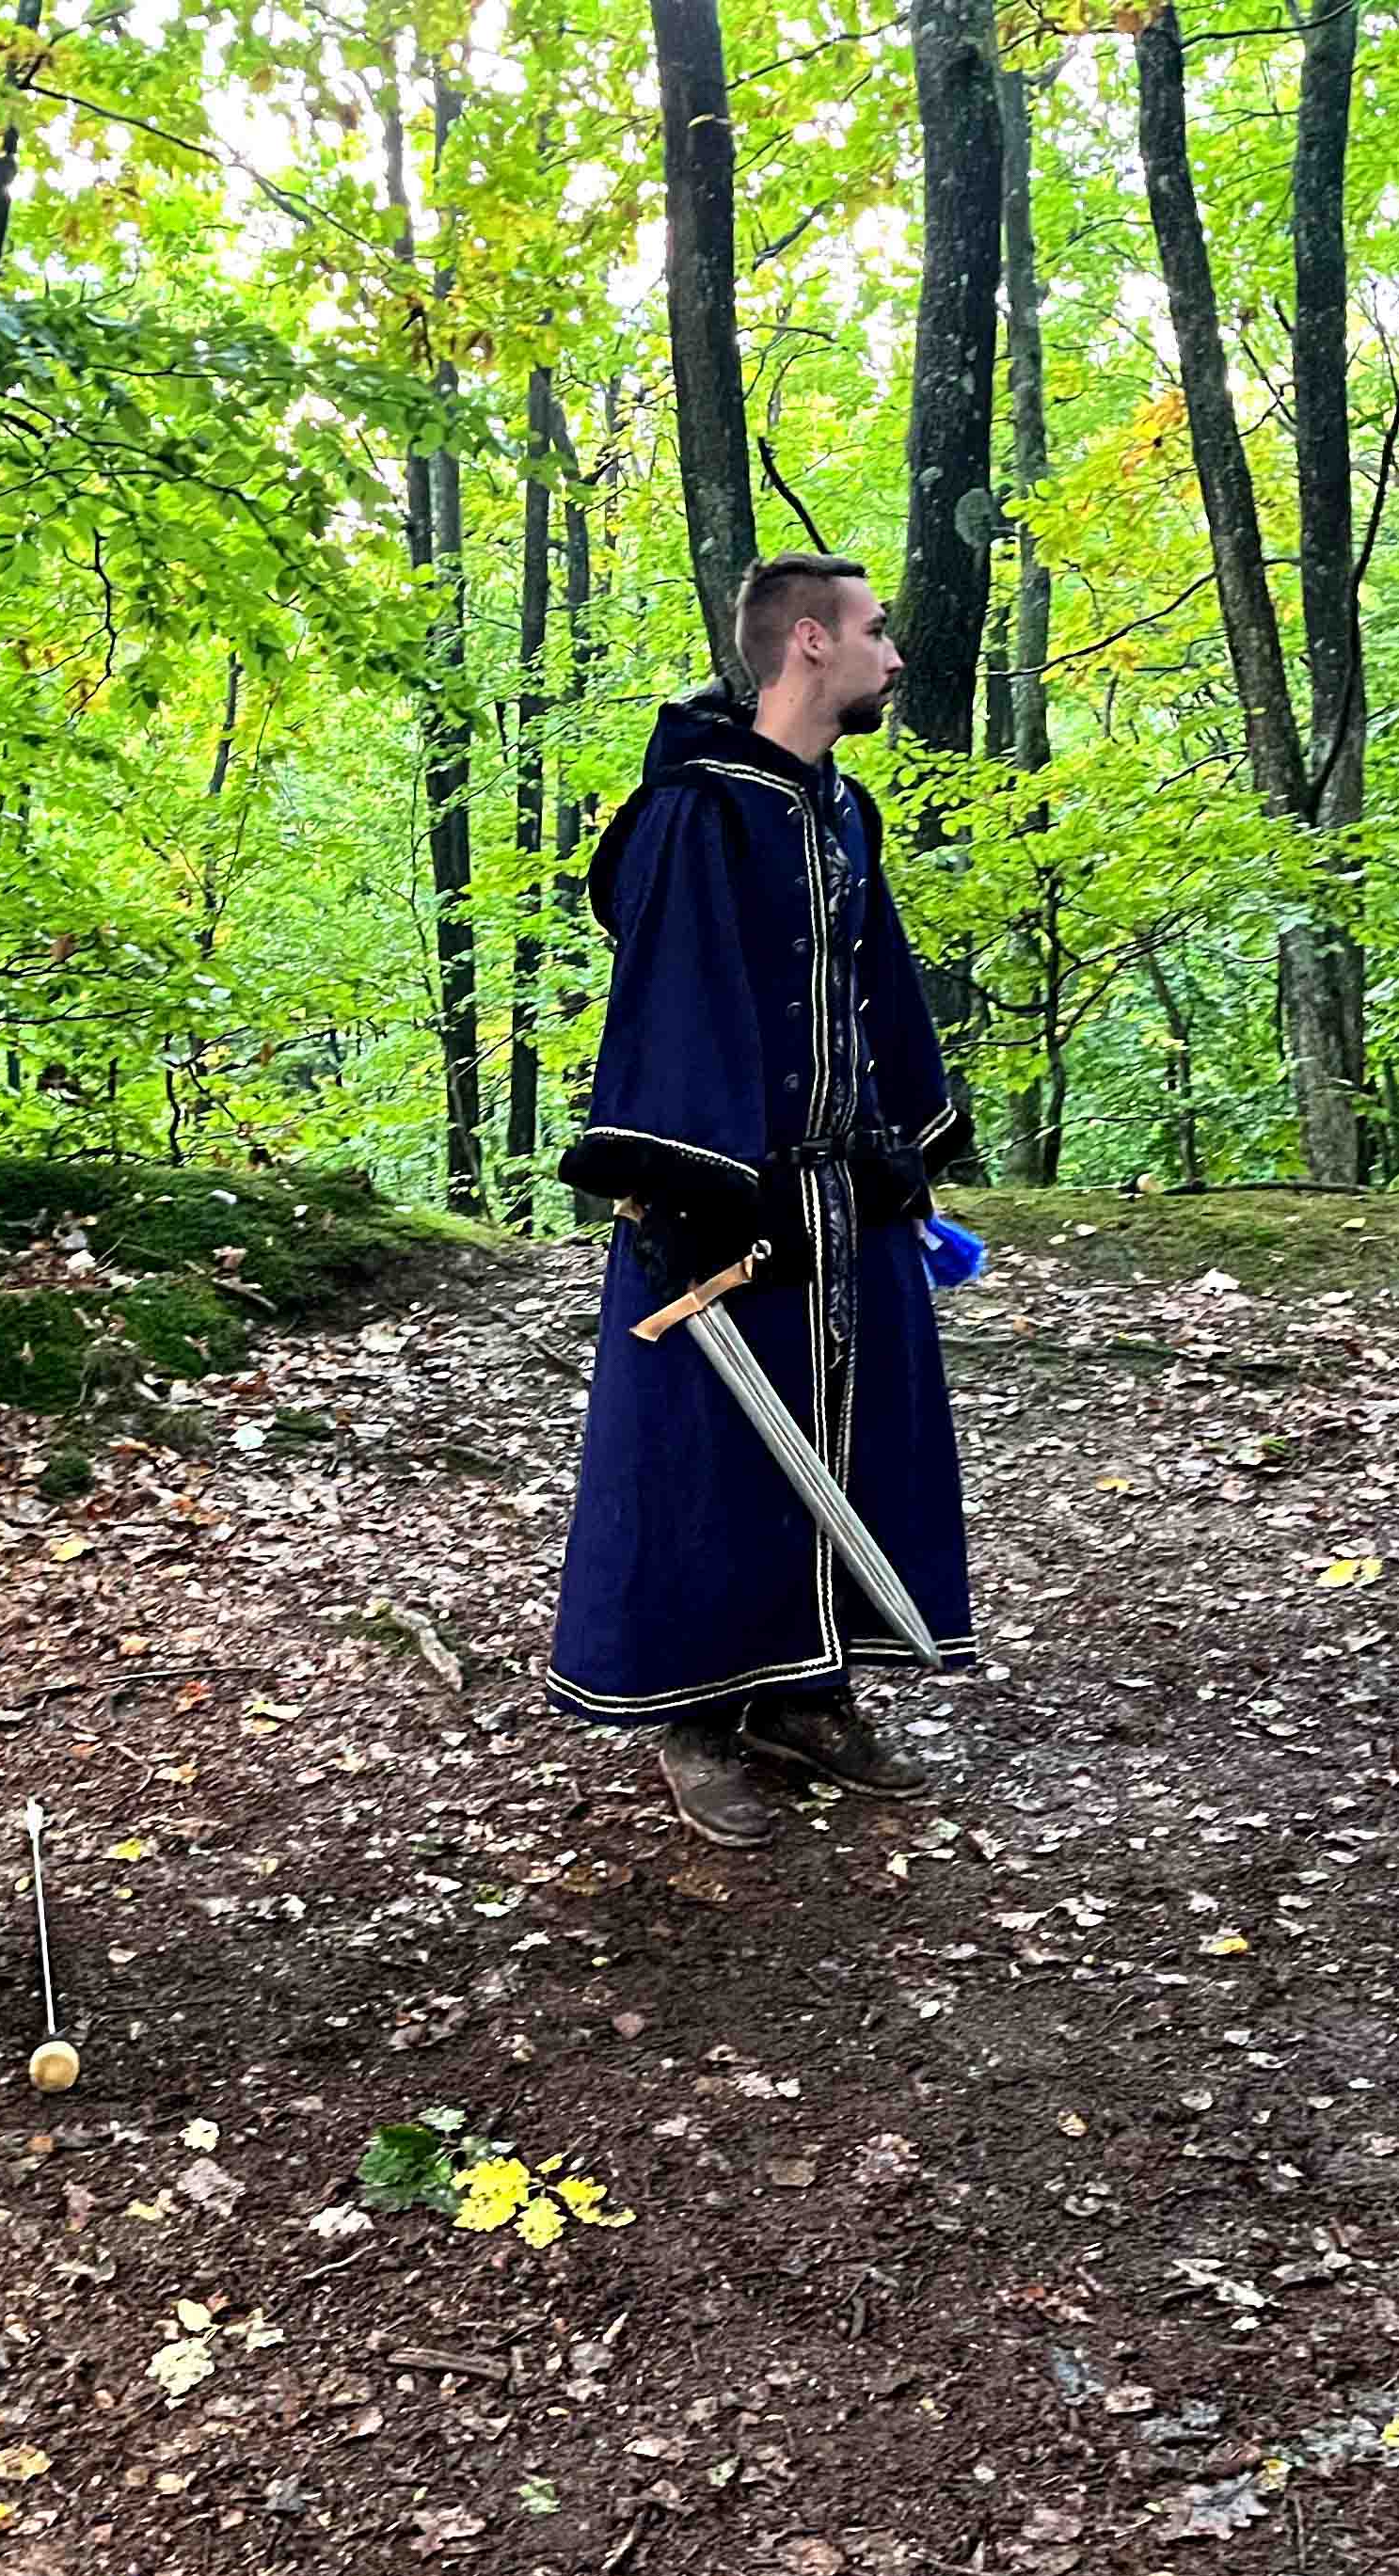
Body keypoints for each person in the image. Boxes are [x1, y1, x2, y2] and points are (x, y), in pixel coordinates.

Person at [546, 555, 978, 1845]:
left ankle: (804, 1692)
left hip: (840, 1195)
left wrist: (898, 1146)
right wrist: (691, 1190)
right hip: (724, 1204)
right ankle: (691, 1719)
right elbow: (670, 998)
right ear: (808, 643)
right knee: (704, 1456)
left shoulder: (843, 809)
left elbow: (875, 986)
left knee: (850, 1437)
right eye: (875, 632)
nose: (894, 656)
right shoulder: (699, 811)